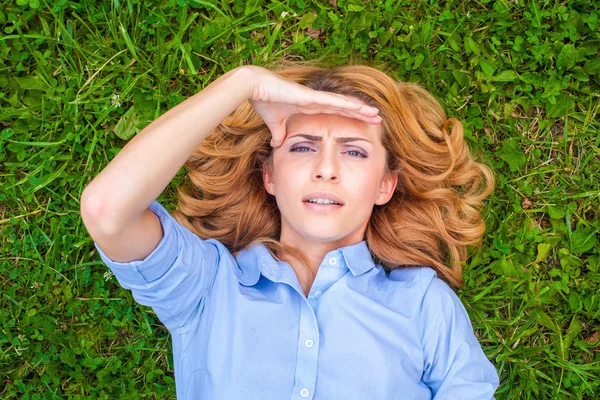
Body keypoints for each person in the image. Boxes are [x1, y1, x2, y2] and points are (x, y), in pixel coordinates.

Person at [80, 59, 500, 399]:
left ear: (385, 185)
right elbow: (106, 211)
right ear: (270, 177)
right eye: (303, 147)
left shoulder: (423, 305)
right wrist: (243, 85)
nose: (326, 170)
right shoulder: (208, 287)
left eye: (353, 152)